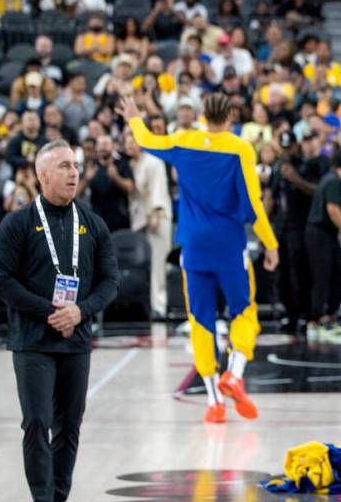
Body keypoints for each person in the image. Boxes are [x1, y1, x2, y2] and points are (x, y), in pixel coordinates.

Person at [119, 93, 279, 424]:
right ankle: (234, 373)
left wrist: (134, 115)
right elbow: (253, 203)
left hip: (193, 244)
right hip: (228, 243)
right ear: (231, 116)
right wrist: (270, 243)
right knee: (244, 312)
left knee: (201, 320)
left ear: (203, 115)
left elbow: (146, 139)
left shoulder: (183, 141)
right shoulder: (239, 148)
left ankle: (214, 401)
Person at [0, 141, 119, 502]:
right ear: (43, 175)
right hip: (33, 341)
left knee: (69, 427)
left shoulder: (93, 224)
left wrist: (80, 311)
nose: (73, 173)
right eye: (64, 166)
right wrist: (50, 310)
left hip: (76, 339)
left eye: (75, 166)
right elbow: (1, 280)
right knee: (37, 423)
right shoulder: (18, 223)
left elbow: (109, 281)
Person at [273, 130, 327, 334]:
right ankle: (289, 313)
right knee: (283, 273)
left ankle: (304, 313)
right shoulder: (278, 167)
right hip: (281, 226)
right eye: (284, 148)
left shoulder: (306, 165)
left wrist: (295, 179)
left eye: (290, 147)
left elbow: (317, 192)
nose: (288, 151)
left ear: (296, 146)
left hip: (301, 226)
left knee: (300, 272)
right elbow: (272, 193)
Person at [124, 129, 171, 319]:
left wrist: (156, 213)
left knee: (158, 264)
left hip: (156, 218)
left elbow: (158, 189)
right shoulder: (131, 165)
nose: (129, 146)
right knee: (144, 267)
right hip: (139, 220)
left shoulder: (153, 161)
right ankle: (147, 306)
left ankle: (160, 305)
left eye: (132, 142)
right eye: (127, 143)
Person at [306, 149, 341, 334]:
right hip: (319, 233)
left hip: (327, 234)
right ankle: (315, 320)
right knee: (322, 277)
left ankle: (329, 316)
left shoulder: (335, 180)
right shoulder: (333, 181)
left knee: (338, 275)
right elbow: (332, 209)